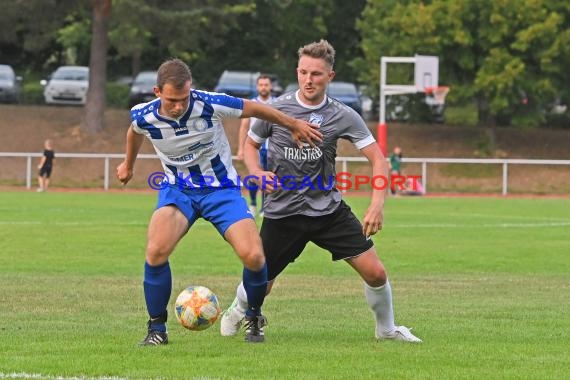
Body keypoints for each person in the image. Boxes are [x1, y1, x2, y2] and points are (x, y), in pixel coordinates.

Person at [220, 40, 421, 343]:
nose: (308, 79)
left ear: (330, 76)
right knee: (262, 281)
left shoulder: (343, 114)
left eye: (316, 73)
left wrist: (377, 204)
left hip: (328, 210)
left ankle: (387, 330)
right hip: (283, 212)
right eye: (303, 72)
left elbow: (378, 159)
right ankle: (238, 309)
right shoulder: (276, 109)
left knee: (376, 273)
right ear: (297, 72)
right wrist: (258, 173)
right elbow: (250, 146)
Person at [116, 58, 322, 345]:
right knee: (155, 251)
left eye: (184, 98)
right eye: (173, 100)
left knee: (254, 256)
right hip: (178, 191)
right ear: (157, 92)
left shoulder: (209, 103)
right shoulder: (144, 115)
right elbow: (134, 132)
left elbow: (254, 107)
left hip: (221, 191)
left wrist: (292, 123)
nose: (179, 106)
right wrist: (128, 165)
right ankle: (156, 330)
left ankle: (253, 315)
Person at [237, 74, 275, 217]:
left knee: (269, 177)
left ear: (270, 86)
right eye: (261, 85)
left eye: (266, 84)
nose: (264, 87)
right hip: (255, 148)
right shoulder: (251, 104)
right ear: (257, 87)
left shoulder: (277, 103)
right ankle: (253, 203)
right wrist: (241, 148)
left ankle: (265, 207)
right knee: (254, 176)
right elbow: (244, 127)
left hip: (272, 149)